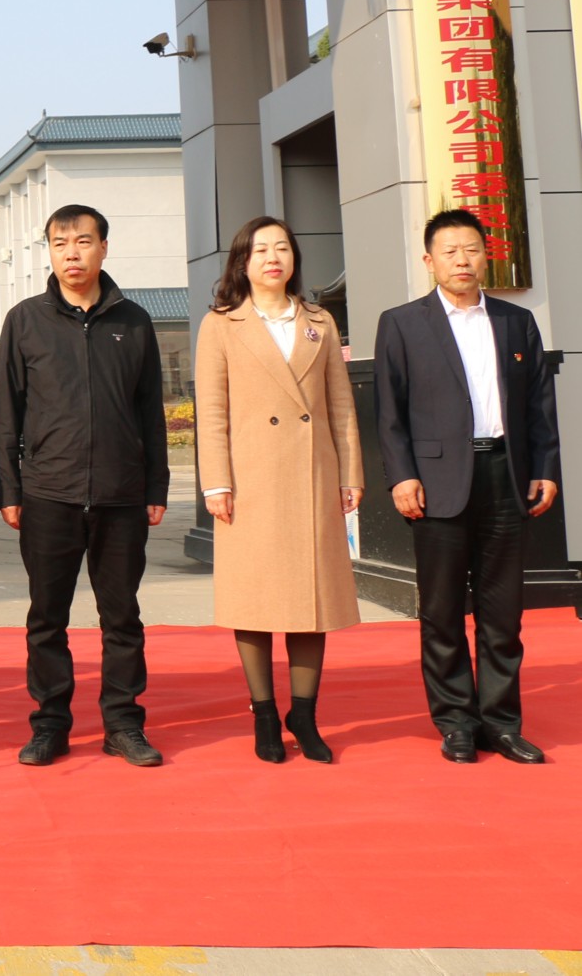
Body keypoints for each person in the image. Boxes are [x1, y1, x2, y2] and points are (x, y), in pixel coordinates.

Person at [373, 208, 561, 765]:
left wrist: (546, 467)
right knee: (442, 609)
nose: (462, 260)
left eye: (472, 249)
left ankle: (501, 724)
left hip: (506, 473)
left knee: (503, 612)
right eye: (450, 251)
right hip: (436, 481)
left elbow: (539, 405)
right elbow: (389, 411)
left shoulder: (515, 321)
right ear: (429, 261)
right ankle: (456, 721)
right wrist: (401, 475)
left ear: (486, 256)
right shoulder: (402, 323)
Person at [0, 204, 169, 768]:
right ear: (49, 251)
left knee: (122, 617)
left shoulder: (134, 322)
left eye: (83, 241)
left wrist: (156, 486)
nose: (72, 253)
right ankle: (50, 725)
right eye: (60, 243)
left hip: (121, 495)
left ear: (103, 248)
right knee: (47, 617)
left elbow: (150, 412)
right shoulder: (25, 320)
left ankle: (123, 724)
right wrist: (10, 489)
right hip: (49, 493)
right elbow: (7, 414)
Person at [193, 217, 363, 763]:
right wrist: (216, 482)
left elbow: (341, 406)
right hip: (250, 481)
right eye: (261, 249)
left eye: (282, 248)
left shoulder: (319, 321)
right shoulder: (221, 324)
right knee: (255, 598)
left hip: (312, 476)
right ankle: (265, 714)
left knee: (314, 599)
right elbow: (211, 411)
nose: (273, 258)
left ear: (294, 258)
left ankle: (304, 715)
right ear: (242, 262)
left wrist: (350, 474)